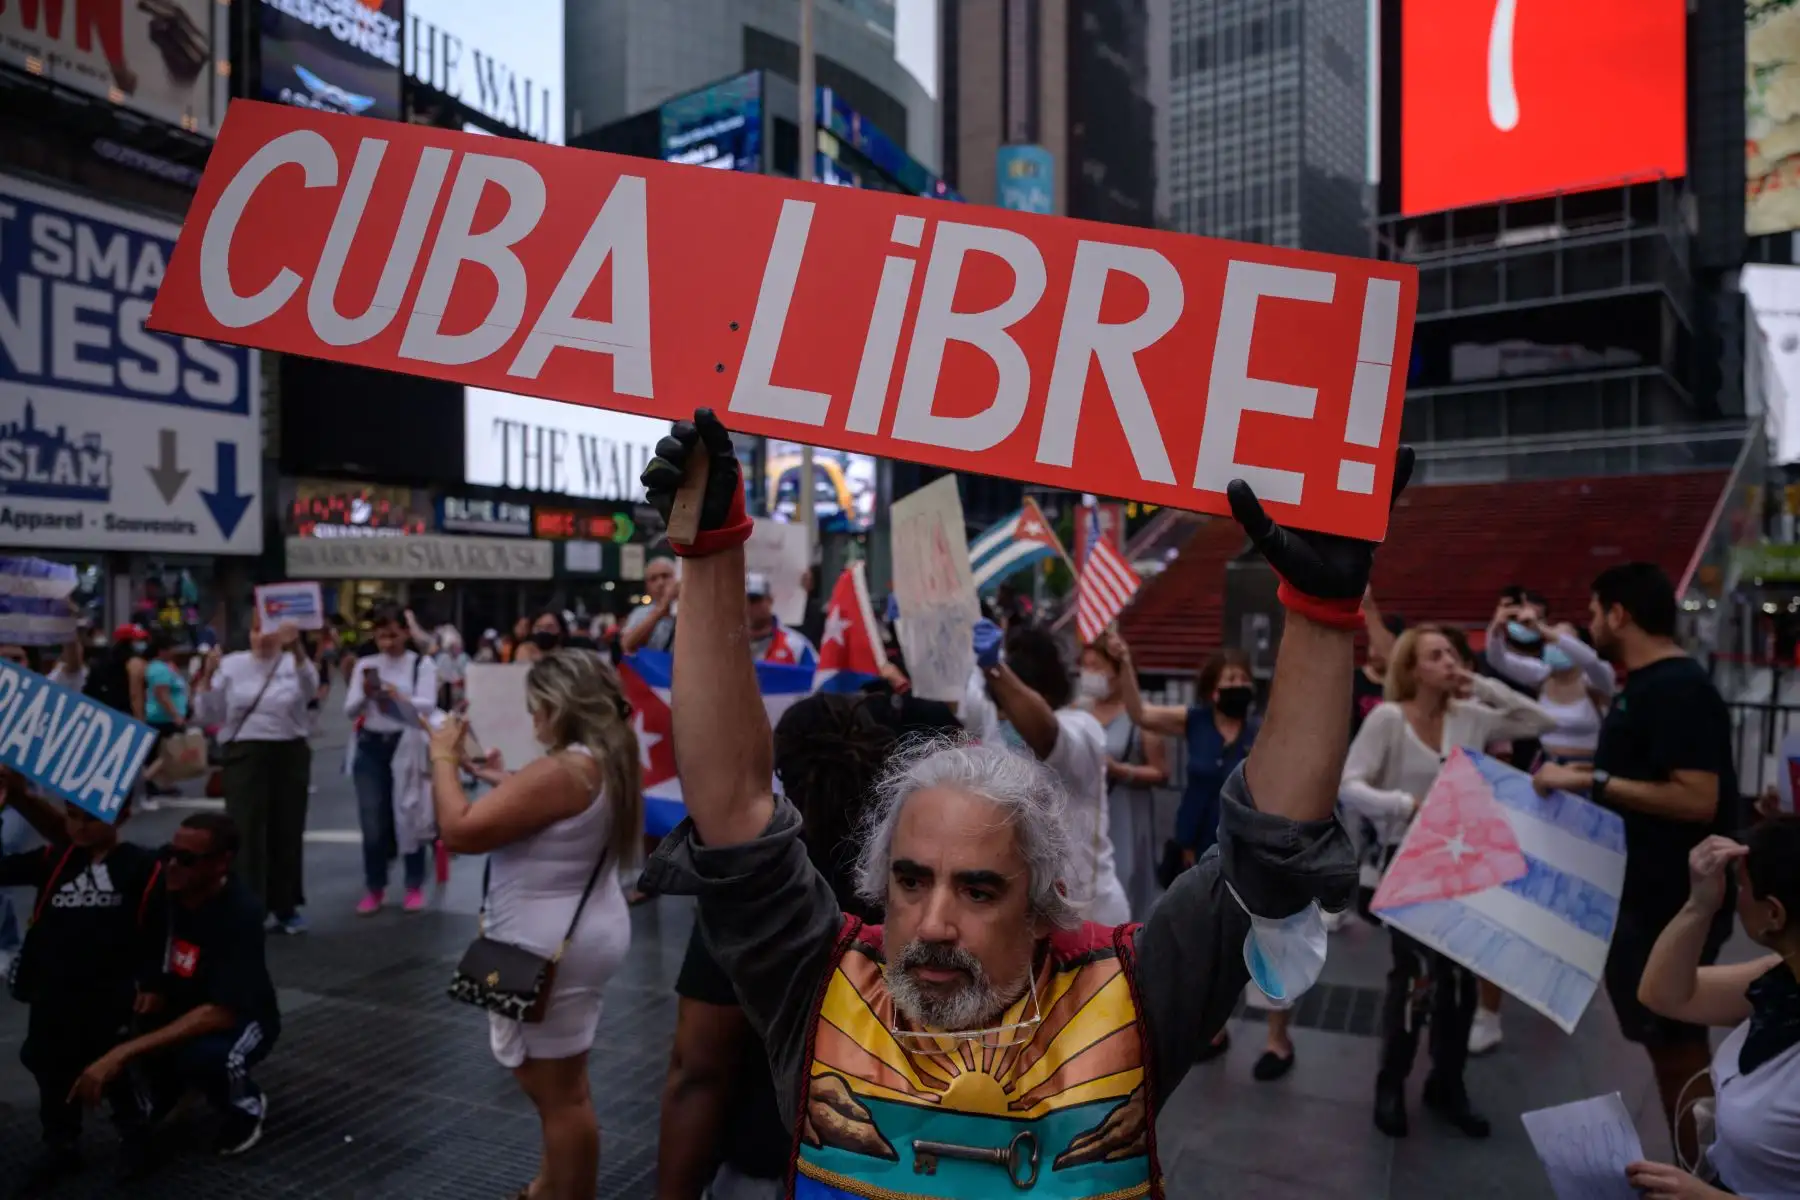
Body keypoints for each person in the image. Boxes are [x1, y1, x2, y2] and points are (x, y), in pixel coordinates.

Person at [636, 410, 1408, 1194]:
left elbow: (1269, 847)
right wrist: (709, 550)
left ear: (1043, 907)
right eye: (911, 881)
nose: (934, 925)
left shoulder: (1132, 1001)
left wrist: (1320, 615)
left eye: (979, 889)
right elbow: (733, 810)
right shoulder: (820, 986)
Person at [1533, 562, 1740, 1166]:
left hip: (1670, 904)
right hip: (1646, 898)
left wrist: (1592, 781)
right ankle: (1697, 1165)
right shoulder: (1646, 683)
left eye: (1595, 612)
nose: (1591, 623)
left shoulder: (1677, 687)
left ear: (1619, 614)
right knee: (1664, 1043)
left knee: (1677, 1045)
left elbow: (1696, 797)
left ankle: (1701, 1173)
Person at [656, 692, 896, 1200]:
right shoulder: (912, 883)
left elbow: (698, 1068)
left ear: (779, 772)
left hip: (767, 1167)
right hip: (893, 1163)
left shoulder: (759, 893)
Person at [428, 649, 641, 1200]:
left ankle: (567, 1192)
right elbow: (554, 806)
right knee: (565, 1085)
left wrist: (443, 758)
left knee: (558, 1096)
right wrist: (507, 780)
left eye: (535, 709)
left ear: (557, 705)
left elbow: (461, 829)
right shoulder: (605, 756)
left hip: (540, 947)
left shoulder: (566, 768)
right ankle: (552, 1186)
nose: (532, 721)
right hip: (583, 929)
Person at [1341, 624, 1555, 1139]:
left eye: (1452, 654)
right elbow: (1350, 784)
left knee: (1460, 981)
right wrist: (1404, 806)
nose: (1449, 662)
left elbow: (1539, 720)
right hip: (1408, 862)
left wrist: (1478, 683)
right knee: (1415, 976)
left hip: (1463, 865)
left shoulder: (1470, 717)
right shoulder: (1389, 719)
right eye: (1436, 656)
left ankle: (1447, 1081)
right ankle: (1392, 1081)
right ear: (1412, 669)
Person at [69, 813, 281, 1163]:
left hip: (240, 1016)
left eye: (186, 859)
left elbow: (220, 1013)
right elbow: (81, 843)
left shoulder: (239, 913)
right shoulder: (161, 880)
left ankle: (246, 1106)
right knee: (114, 1012)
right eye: (169, 851)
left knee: (210, 1057)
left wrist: (122, 1053)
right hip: (178, 1001)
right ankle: (167, 1090)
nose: (171, 864)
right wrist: (18, 797)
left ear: (221, 863)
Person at [2, 777, 162, 1195]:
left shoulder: (140, 866)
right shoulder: (56, 859)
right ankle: (61, 1142)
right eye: (72, 817)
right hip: (53, 989)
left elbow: (155, 929)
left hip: (107, 991)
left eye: (90, 819)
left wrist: (150, 981)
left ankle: (136, 1137)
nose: (78, 828)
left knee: (113, 1070)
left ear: (121, 816)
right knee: (50, 1065)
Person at [1624, 823, 1800, 1199]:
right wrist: (1699, 905)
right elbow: (1665, 994)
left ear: (1774, 914)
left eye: (1740, 887)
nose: (1736, 898)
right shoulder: (1781, 980)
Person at [1113, 641, 1263, 1064]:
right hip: (1194, 846)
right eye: (1230, 680)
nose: (1239, 686)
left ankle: (1223, 1019)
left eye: (1244, 680)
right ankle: (1203, 1024)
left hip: (1241, 848)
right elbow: (1140, 714)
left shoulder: (1260, 733)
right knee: (1197, 935)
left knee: (1234, 938)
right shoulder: (1194, 721)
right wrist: (1126, 662)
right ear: (1212, 689)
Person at [961, 623, 1132, 925]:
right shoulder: (994, 728)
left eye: (1015, 701)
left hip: (1088, 916)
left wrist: (994, 669)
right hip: (1022, 916)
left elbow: (1046, 735)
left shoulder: (1082, 728)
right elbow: (952, 692)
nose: (1009, 716)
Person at [191, 616, 319, 934]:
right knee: (245, 831)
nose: (262, 638)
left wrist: (299, 648)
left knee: (287, 828)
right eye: (256, 631)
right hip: (244, 754)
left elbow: (310, 691)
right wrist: (207, 676)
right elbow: (207, 713)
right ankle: (249, 906)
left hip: (289, 751)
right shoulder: (232, 665)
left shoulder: (293, 663)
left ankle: (286, 905)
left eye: (269, 632)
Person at [344, 604, 439, 916]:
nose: (387, 639)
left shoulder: (420, 664)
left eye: (393, 632)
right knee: (372, 820)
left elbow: (428, 704)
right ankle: (375, 886)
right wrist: (367, 693)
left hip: (406, 744)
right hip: (370, 745)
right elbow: (349, 710)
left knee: (409, 816)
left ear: (405, 632)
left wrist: (399, 695)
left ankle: (414, 884)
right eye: (381, 632)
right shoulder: (366, 665)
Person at [1078, 638, 1168, 921]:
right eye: (1085, 665)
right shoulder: (1078, 710)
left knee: (1126, 884)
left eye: (1097, 666)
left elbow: (1161, 772)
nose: (1089, 672)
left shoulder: (1142, 715)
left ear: (1117, 672)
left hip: (1127, 816)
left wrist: (1121, 770)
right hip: (1088, 817)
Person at [140, 632, 191, 797]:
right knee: (171, 751)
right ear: (162, 651)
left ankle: (161, 783)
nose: (174, 652)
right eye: (171, 649)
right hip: (163, 717)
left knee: (162, 752)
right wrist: (175, 715)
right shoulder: (159, 669)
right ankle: (146, 780)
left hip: (164, 716)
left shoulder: (165, 667)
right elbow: (162, 695)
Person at [746, 572, 817, 665]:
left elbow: (819, 677)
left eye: (754, 599)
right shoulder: (724, 646)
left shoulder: (795, 645)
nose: (747, 605)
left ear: (769, 600)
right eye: (741, 600)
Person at [621, 555, 679, 654]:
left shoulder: (689, 610)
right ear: (647, 587)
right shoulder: (640, 613)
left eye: (665, 576)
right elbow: (627, 645)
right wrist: (660, 610)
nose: (660, 583)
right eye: (653, 579)